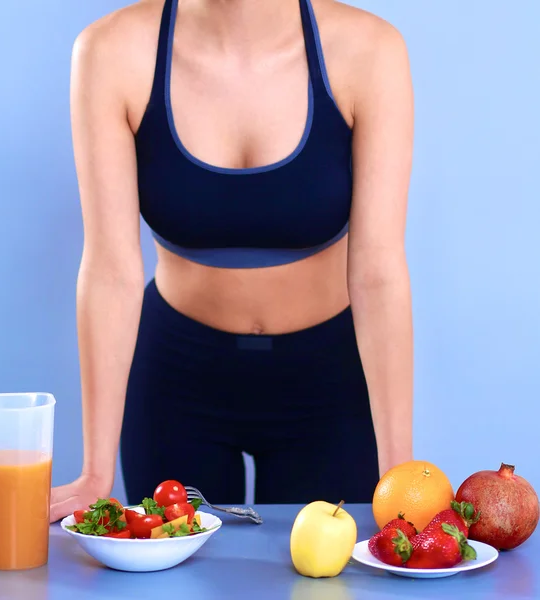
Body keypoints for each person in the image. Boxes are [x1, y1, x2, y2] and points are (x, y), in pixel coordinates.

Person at [50, 0, 414, 521]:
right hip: (175, 380)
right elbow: (111, 270)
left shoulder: (370, 50)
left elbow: (378, 272)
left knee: (329, 581)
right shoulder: (111, 51)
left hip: (329, 383)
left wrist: (401, 471)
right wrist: (93, 472)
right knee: (172, 580)